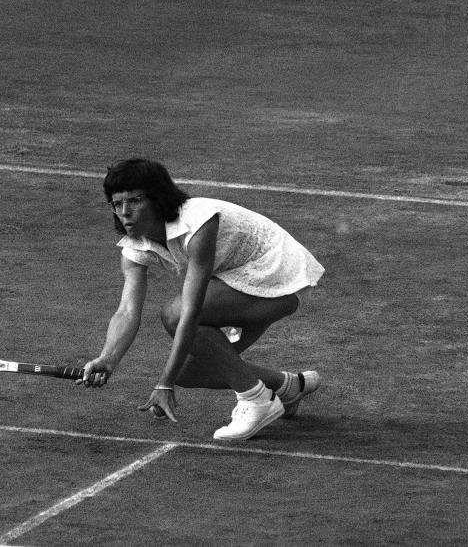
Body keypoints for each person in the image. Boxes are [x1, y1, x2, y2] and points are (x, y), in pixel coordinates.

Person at [78, 158, 325, 441]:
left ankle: (256, 399)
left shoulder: (198, 223)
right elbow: (126, 311)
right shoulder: (135, 246)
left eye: (134, 201)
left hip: (279, 274)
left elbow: (191, 312)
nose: (124, 213)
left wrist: (163, 384)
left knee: (175, 315)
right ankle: (287, 387)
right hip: (235, 284)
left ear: (157, 199)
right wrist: (108, 360)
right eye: (116, 204)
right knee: (188, 372)